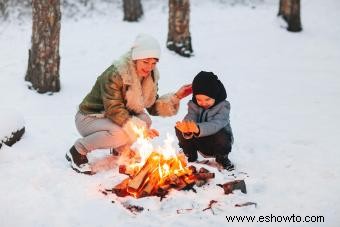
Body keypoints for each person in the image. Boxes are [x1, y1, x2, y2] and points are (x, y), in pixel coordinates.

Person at [66, 34, 192, 174]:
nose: (149, 67)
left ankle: (121, 150)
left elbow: (151, 106)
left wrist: (176, 97)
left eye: (153, 63)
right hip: (90, 117)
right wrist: (138, 129)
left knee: (145, 120)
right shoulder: (115, 74)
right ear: (135, 58)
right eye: (145, 62)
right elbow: (114, 109)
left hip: (114, 117)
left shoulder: (149, 76)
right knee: (120, 133)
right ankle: (77, 150)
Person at [175, 71, 234, 171]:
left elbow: (216, 124)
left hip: (216, 142)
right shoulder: (194, 105)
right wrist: (187, 128)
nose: (203, 103)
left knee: (222, 134)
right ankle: (190, 155)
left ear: (215, 95)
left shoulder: (223, 107)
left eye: (207, 99)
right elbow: (191, 116)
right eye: (199, 99)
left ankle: (222, 158)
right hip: (199, 140)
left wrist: (198, 129)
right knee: (180, 129)